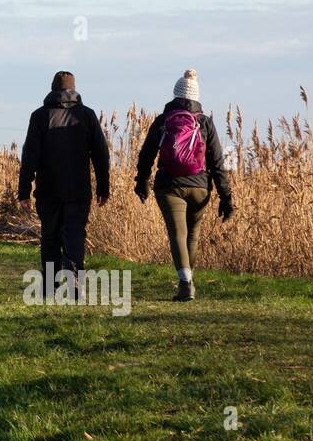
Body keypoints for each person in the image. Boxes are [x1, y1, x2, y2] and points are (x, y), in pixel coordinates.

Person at [134, 69, 235, 301]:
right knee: (192, 234)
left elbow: (146, 154)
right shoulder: (205, 122)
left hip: (169, 186)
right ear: (197, 97)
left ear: (175, 95)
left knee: (177, 234)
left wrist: (142, 180)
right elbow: (217, 162)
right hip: (200, 187)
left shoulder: (163, 121)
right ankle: (187, 283)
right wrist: (226, 197)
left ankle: (185, 283)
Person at [18, 71, 111, 297]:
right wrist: (103, 187)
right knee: (75, 233)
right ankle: (73, 279)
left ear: (52, 89)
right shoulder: (87, 116)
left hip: (48, 190)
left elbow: (30, 155)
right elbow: (101, 154)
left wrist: (24, 191)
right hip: (78, 189)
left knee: (49, 236)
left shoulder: (39, 116)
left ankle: (50, 284)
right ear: (74, 89)